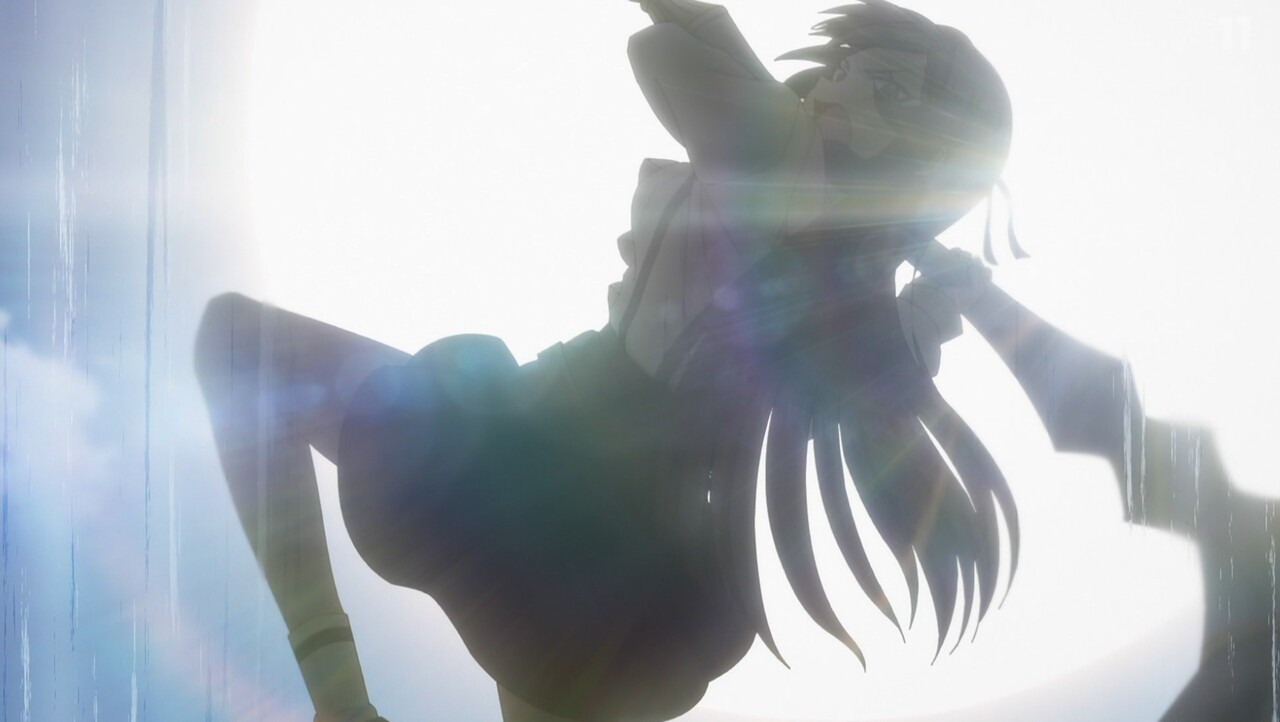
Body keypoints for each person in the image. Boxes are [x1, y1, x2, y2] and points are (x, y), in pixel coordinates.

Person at [197, 1, 1272, 720]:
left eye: (869, 79)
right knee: (246, 344)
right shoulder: (817, 215)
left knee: (244, 344)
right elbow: (680, 57)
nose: (832, 80)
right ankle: (339, 695)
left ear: (909, 131)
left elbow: (671, 59)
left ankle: (338, 696)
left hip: (582, 528)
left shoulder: (805, 190)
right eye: (845, 66)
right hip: (557, 496)